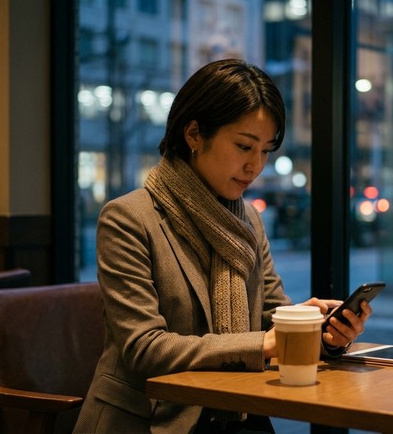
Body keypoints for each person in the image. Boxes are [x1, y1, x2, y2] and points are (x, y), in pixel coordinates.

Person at [73, 59, 372, 434]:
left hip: (239, 409)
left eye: (265, 151)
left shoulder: (247, 219)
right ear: (194, 134)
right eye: (244, 146)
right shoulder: (128, 218)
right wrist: (265, 343)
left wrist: (320, 333)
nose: (255, 166)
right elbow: (144, 349)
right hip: (155, 420)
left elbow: (270, 317)